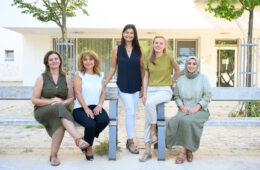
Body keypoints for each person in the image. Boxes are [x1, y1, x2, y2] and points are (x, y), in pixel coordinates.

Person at [32, 50, 89, 166]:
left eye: (56, 59)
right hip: (43, 110)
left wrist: (62, 103)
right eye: (51, 59)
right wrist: (51, 101)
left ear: (60, 61)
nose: (54, 61)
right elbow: (35, 100)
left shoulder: (66, 77)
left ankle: (53, 155)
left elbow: (71, 98)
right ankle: (78, 139)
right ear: (47, 63)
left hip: (60, 110)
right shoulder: (41, 78)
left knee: (61, 125)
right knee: (59, 107)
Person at [139, 35, 180, 162]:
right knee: (146, 119)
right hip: (151, 90)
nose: (158, 45)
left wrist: (171, 82)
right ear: (153, 44)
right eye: (156, 43)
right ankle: (147, 151)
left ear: (164, 46)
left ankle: (153, 130)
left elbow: (177, 70)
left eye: (160, 43)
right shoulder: (148, 59)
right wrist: (144, 93)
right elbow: (145, 77)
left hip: (164, 90)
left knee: (150, 104)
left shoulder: (168, 57)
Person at [105, 24, 144, 154]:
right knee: (131, 111)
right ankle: (131, 141)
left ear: (134, 35)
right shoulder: (117, 49)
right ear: (123, 34)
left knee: (132, 113)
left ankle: (129, 139)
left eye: (131, 33)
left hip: (136, 85)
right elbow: (112, 67)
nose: (129, 35)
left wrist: (144, 87)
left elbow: (142, 69)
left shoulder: (139, 49)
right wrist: (105, 83)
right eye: (126, 32)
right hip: (123, 85)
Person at [165, 56, 212, 164]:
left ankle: (183, 151)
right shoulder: (181, 79)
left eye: (194, 64)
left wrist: (197, 107)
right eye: (189, 63)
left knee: (188, 121)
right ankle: (189, 150)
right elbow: (176, 96)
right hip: (185, 109)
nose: (191, 66)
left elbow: (208, 95)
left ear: (197, 66)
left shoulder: (203, 78)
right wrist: (182, 107)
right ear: (186, 65)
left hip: (200, 110)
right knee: (175, 121)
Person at [73, 50, 109, 161]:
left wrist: (99, 105)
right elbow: (78, 93)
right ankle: (89, 148)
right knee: (90, 125)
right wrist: (86, 108)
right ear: (82, 61)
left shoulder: (100, 75)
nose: (88, 62)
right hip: (80, 108)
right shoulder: (79, 75)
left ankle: (86, 140)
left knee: (104, 120)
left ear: (95, 61)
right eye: (85, 59)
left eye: (91, 59)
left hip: (95, 106)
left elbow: (103, 92)